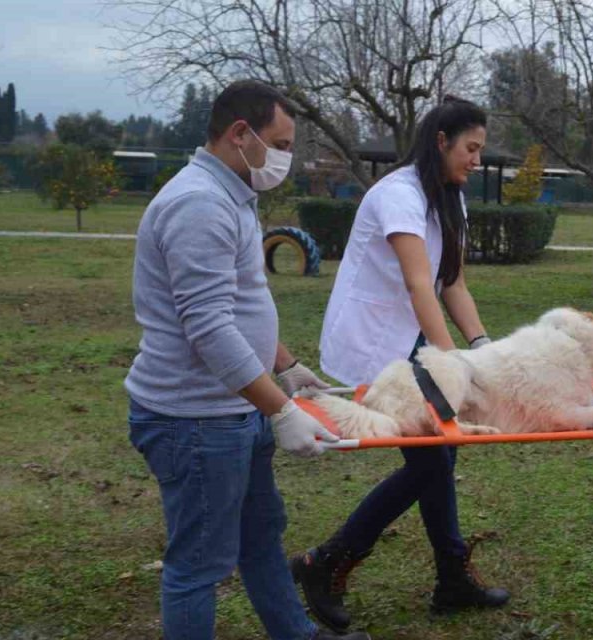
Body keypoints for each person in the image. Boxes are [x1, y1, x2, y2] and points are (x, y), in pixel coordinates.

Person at [124, 79, 373, 640]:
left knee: (261, 534)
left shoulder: (232, 195)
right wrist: (282, 409)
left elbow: (239, 301)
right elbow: (208, 327)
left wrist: (284, 364)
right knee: (200, 565)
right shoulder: (198, 205)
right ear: (240, 134)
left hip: (237, 408)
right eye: (280, 144)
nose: (285, 157)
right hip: (196, 421)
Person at [290, 96, 508, 634]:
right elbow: (417, 283)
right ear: (442, 141)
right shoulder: (399, 195)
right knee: (434, 459)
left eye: (481, 149)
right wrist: (445, 363)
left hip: (410, 338)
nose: (477, 160)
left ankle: (449, 578)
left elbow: (450, 281)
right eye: (471, 148)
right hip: (375, 343)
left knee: (436, 457)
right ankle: (328, 562)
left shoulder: (452, 198)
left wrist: (481, 345)